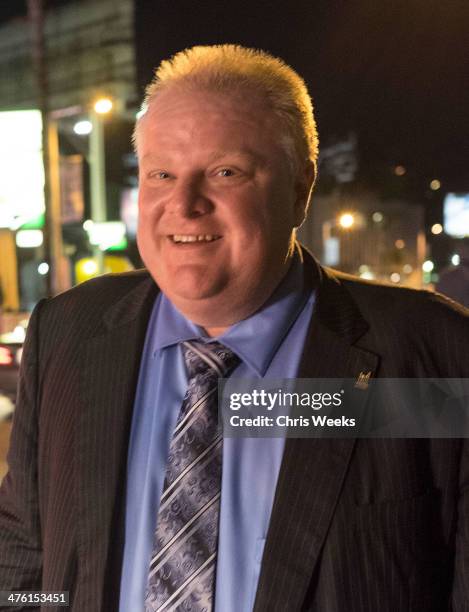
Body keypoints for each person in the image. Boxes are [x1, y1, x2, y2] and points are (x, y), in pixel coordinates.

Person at [0, 44, 468, 612]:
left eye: (226, 172)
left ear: (300, 189)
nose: (184, 204)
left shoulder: (430, 349)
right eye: (161, 174)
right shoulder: (69, 333)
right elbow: (24, 559)